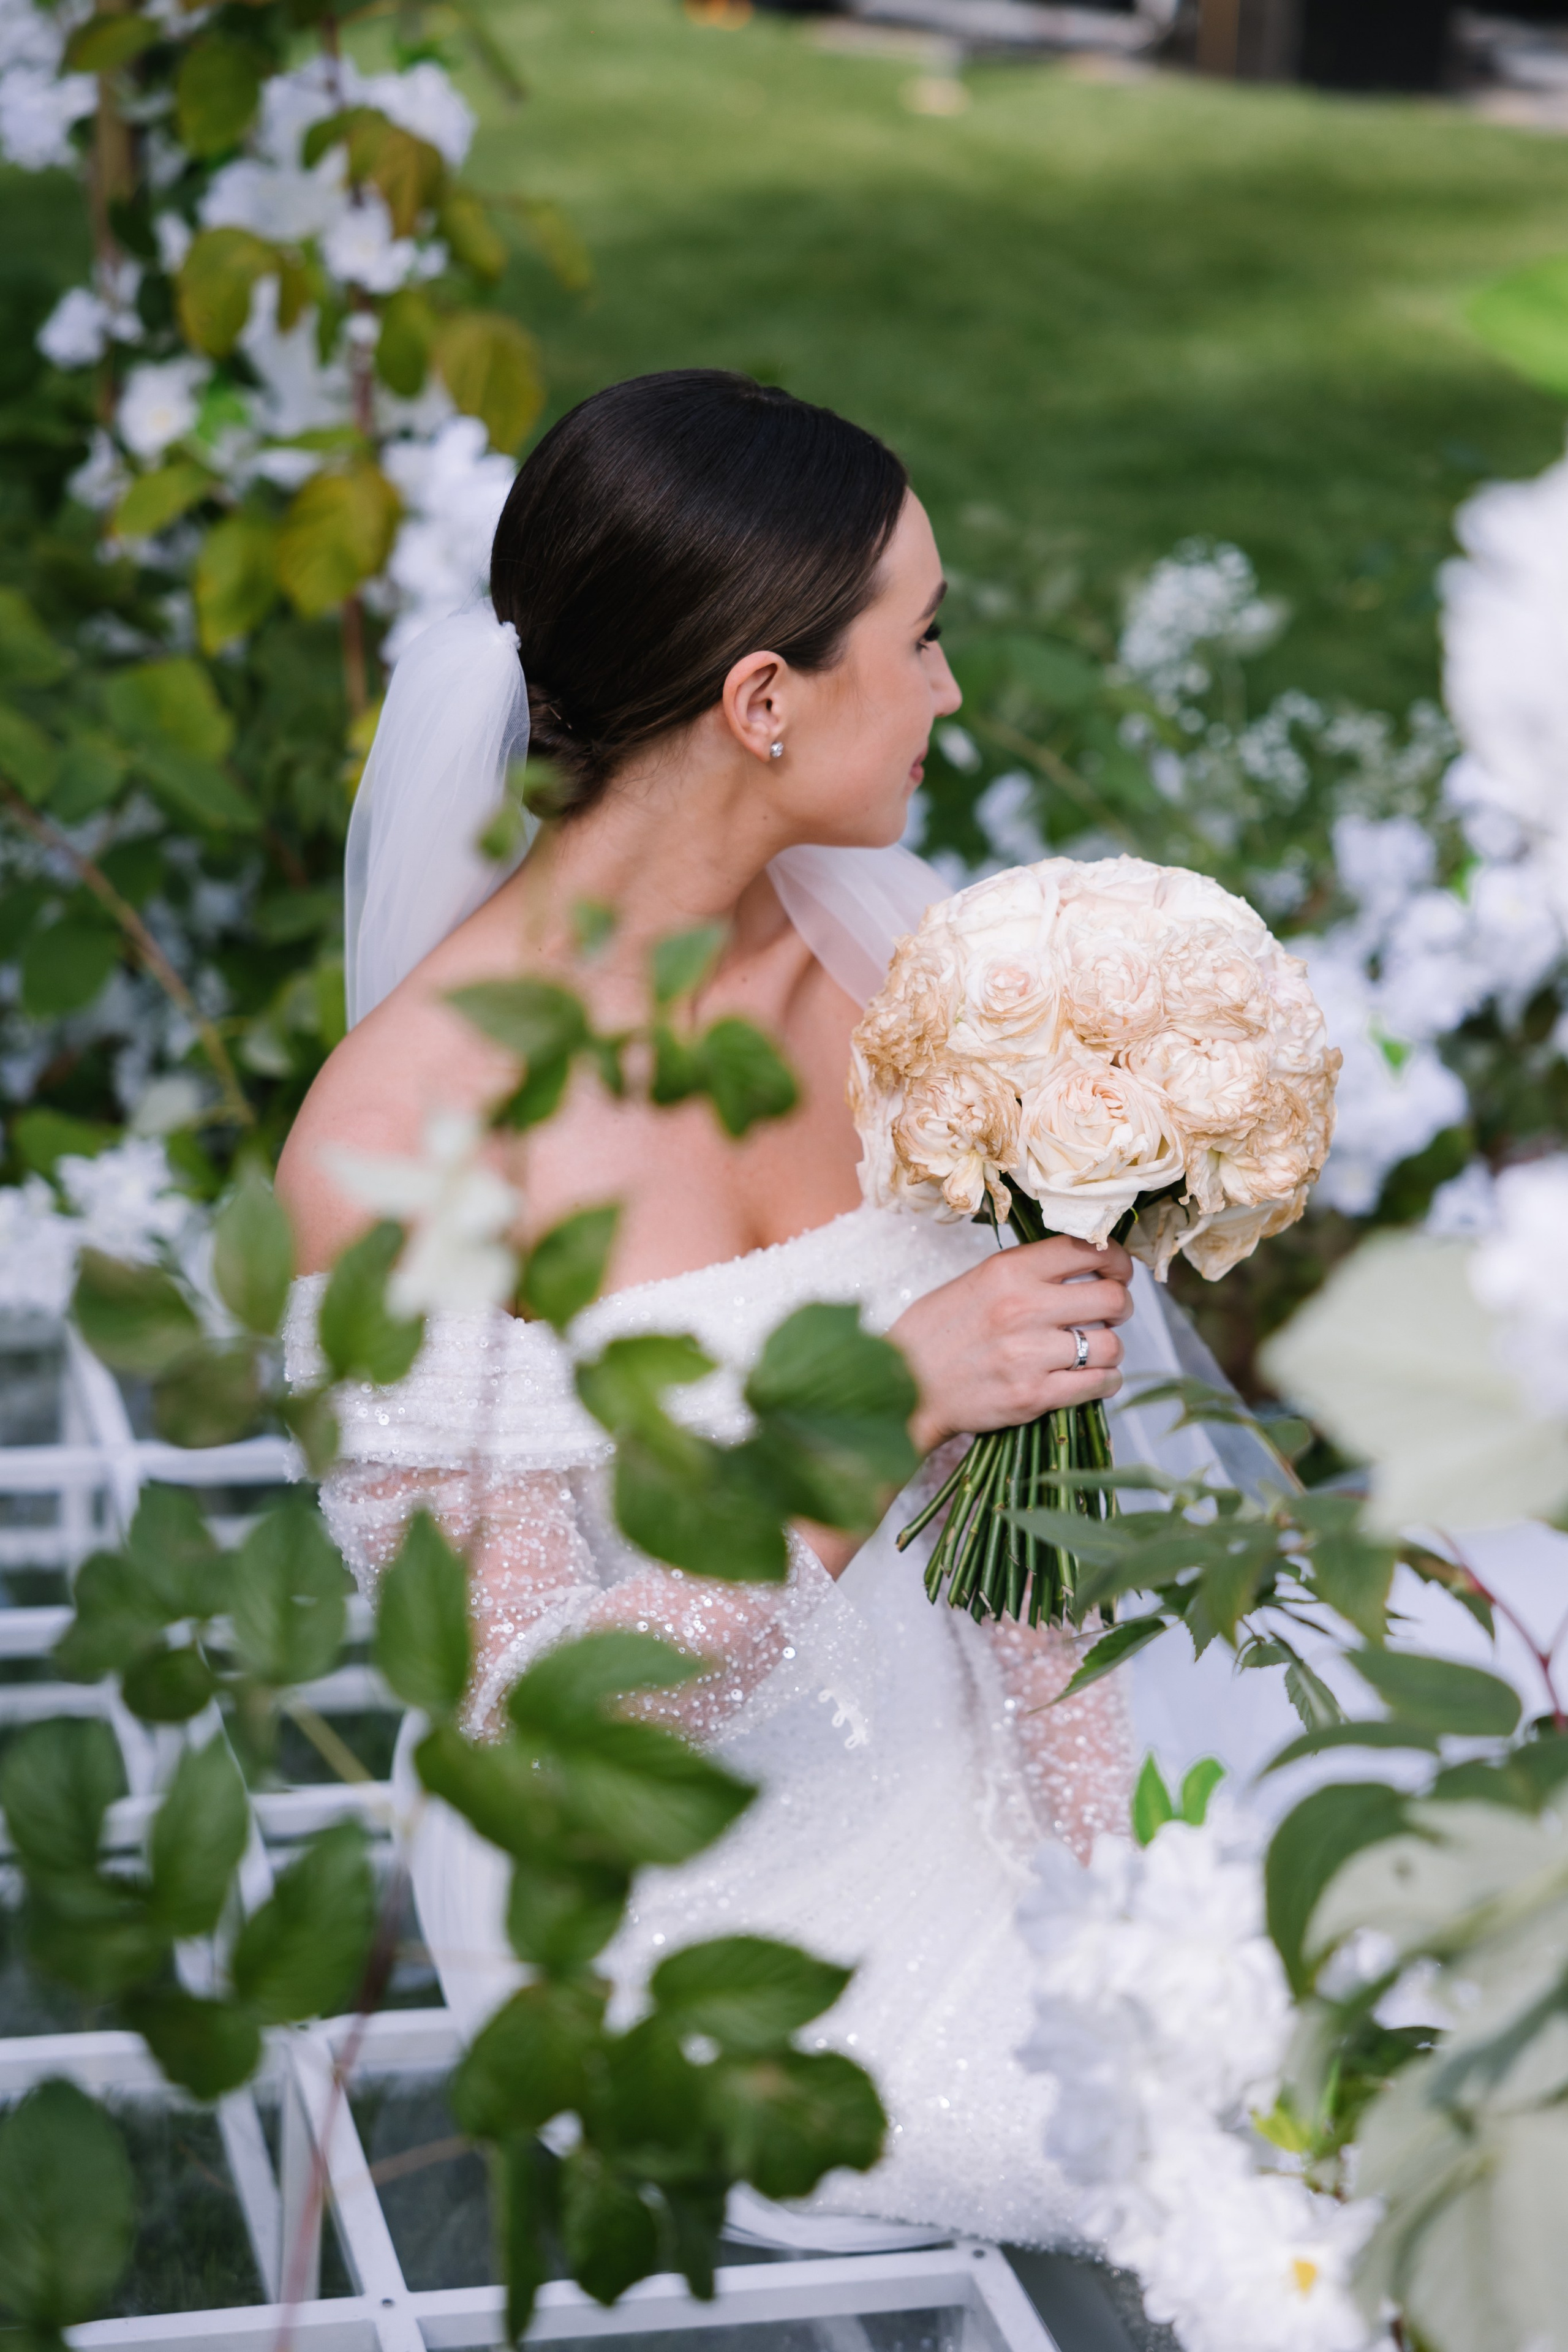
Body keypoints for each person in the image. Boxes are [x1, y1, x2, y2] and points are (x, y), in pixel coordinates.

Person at [276, 369, 1265, 2255]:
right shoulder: (399, 1151)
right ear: (762, 700)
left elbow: (1035, 1524)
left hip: (990, 1736)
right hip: (689, 1928)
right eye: (924, 639)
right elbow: (540, 1751)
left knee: (1352, 2007)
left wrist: (1113, 1885)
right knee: (1232, 2171)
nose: (955, 693)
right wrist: (866, 1414)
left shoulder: (898, 974)